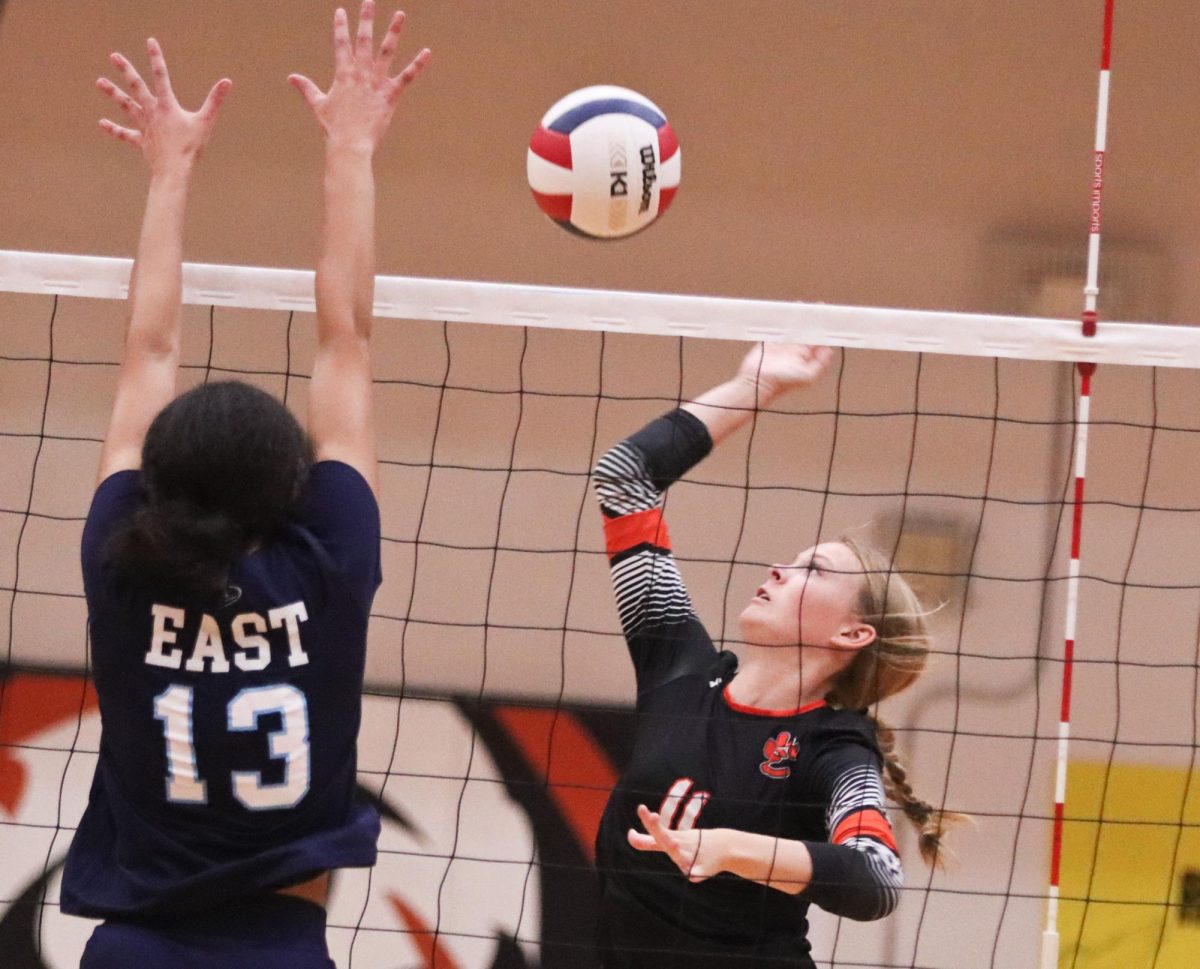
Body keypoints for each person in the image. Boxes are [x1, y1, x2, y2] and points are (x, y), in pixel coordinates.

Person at [62, 5, 429, 966]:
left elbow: (150, 349)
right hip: (281, 948)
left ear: (159, 477)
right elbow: (347, 335)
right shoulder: (332, 555)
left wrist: (168, 168)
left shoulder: (120, 553)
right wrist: (352, 146)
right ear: (297, 485)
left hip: (133, 947)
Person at [591, 343, 957, 968]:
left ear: (852, 634)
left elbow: (876, 878)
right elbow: (626, 480)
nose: (778, 569)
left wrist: (732, 848)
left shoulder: (834, 747)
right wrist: (755, 382)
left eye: (812, 570)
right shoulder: (676, 666)